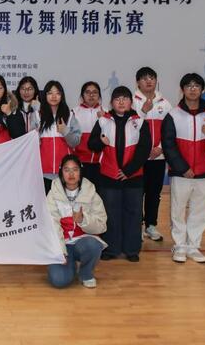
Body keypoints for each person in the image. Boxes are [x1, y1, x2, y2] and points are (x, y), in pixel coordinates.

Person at [161, 73, 205, 263]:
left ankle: (193, 246)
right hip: (181, 174)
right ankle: (180, 246)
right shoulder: (173, 115)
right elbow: (168, 145)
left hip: (204, 173)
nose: (192, 89)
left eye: (196, 85)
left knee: (200, 211)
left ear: (202, 90)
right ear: (182, 90)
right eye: (188, 86)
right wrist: (182, 167)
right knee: (178, 211)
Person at [88, 86, 151, 262]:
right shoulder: (103, 121)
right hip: (109, 176)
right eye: (117, 99)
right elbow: (92, 145)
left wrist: (129, 171)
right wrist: (100, 141)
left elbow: (144, 149)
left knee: (133, 213)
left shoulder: (140, 122)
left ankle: (132, 250)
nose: (121, 102)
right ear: (111, 103)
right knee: (110, 213)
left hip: (133, 177)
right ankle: (111, 249)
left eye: (125, 98)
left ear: (131, 102)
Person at [46, 155, 107, 289]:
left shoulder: (91, 192)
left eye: (75, 169)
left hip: (83, 242)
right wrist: (61, 251)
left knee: (93, 246)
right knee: (59, 280)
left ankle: (86, 273)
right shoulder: (53, 194)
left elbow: (102, 225)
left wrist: (83, 220)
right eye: (67, 170)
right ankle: (69, 266)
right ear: (61, 173)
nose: (71, 174)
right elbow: (51, 225)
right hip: (62, 244)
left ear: (80, 172)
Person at [132, 67, 172, 242]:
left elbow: (170, 130)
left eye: (152, 78)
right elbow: (130, 127)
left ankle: (151, 225)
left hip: (159, 157)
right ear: (138, 82)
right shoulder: (132, 102)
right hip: (138, 157)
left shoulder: (165, 103)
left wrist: (161, 147)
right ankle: (138, 226)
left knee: (154, 192)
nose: (149, 81)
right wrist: (143, 111)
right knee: (137, 191)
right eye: (144, 78)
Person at [35, 80, 81, 194]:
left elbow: (75, 142)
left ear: (62, 96)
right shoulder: (37, 115)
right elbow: (30, 143)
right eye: (50, 93)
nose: (54, 96)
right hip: (43, 172)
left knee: (65, 204)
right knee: (45, 203)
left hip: (65, 172)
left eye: (57, 93)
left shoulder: (69, 115)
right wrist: (36, 138)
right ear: (45, 95)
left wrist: (65, 131)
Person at [73, 81, 105, 186]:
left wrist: (104, 120)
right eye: (87, 92)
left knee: (98, 194)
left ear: (99, 96)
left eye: (95, 92)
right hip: (80, 162)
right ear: (82, 96)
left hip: (101, 163)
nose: (91, 95)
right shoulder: (74, 112)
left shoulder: (106, 112)